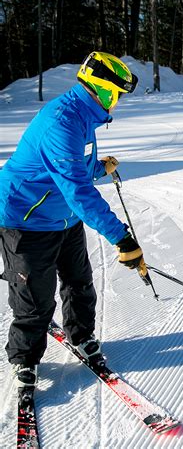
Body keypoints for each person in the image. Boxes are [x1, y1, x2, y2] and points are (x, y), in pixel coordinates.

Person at [0, 52, 147, 389]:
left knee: (79, 282)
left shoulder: (84, 116)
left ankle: (81, 335)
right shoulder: (61, 121)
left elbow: (70, 168)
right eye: (118, 95)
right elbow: (77, 190)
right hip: (26, 218)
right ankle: (24, 358)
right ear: (104, 89)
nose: (119, 102)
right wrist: (121, 238)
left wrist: (98, 167)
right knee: (35, 297)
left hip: (63, 218)